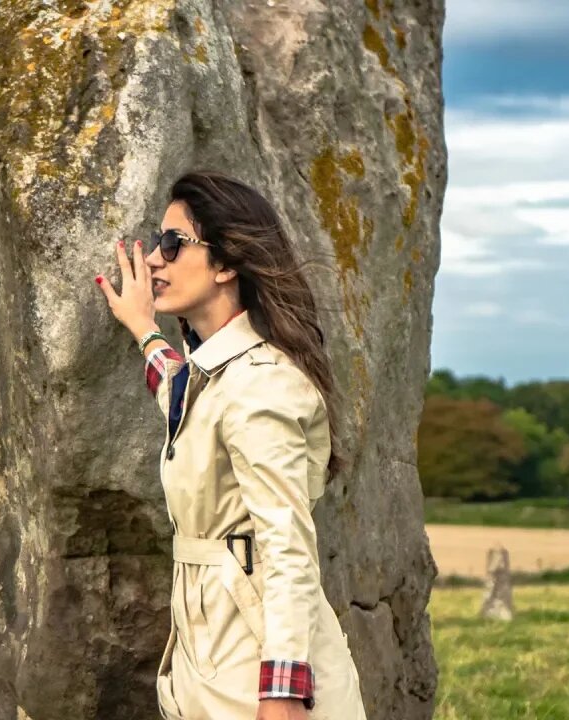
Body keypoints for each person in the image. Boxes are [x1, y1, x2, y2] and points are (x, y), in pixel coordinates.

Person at [95, 170, 367, 720]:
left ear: (225, 264)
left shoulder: (263, 383)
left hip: (255, 665)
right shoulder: (214, 377)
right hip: (209, 652)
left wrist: (284, 692)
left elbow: (288, 545)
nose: (153, 260)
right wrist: (144, 330)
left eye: (172, 246)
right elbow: (183, 397)